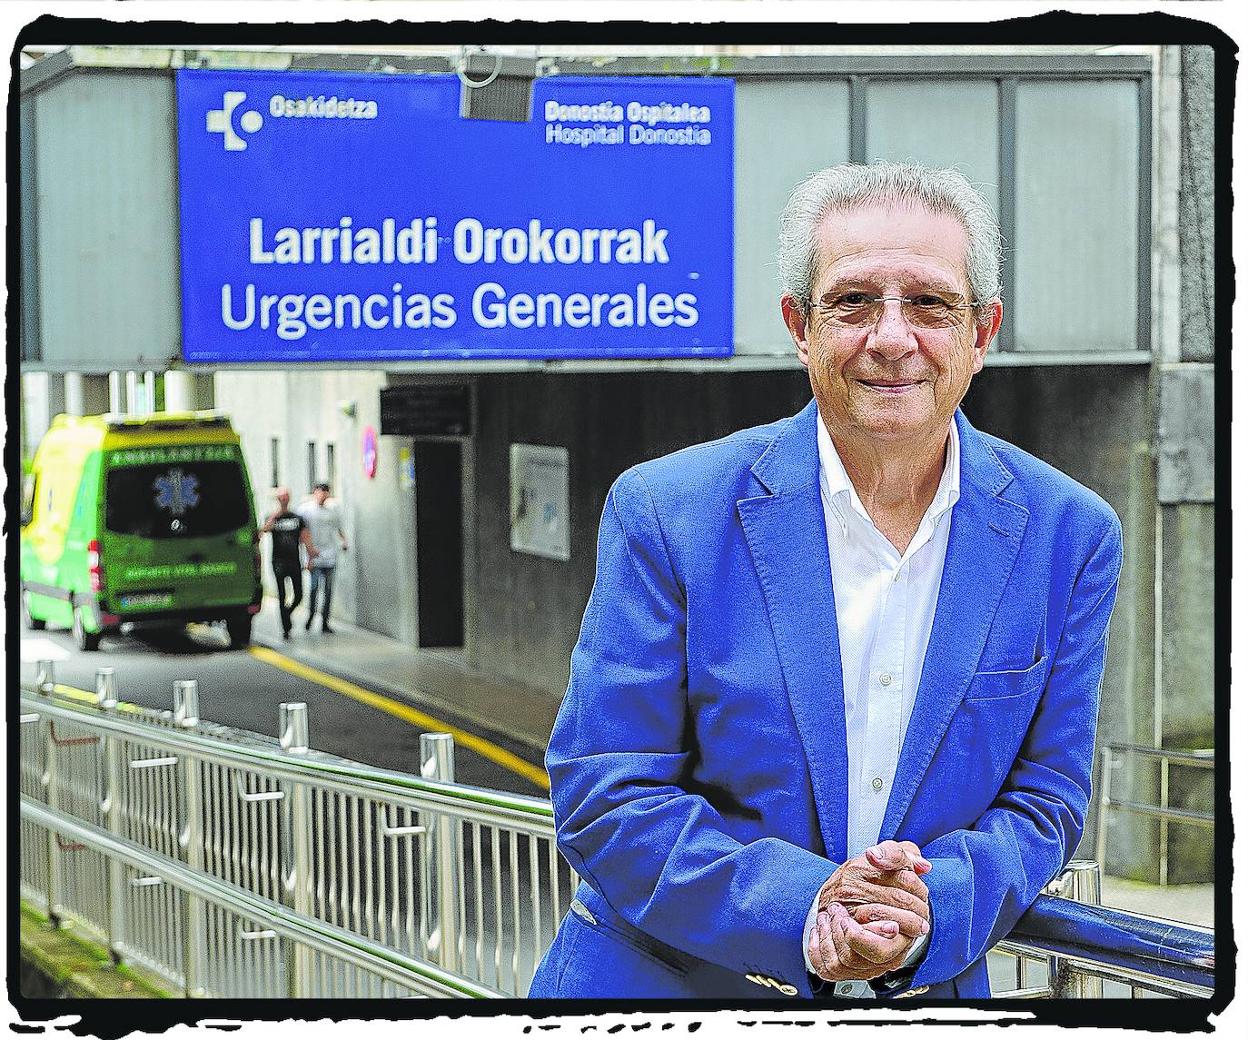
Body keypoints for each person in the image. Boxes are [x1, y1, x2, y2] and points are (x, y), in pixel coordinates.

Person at [529, 162, 1123, 1000]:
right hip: (668, 994)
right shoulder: (667, 512)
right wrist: (803, 910)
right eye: (852, 302)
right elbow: (606, 787)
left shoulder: (1071, 535)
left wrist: (926, 909)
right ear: (799, 327)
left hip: (921, 1005)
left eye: (929, 303)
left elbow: (1047, 796)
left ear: (981, 334)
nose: (891, 337)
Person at [260, 487, 317, 639]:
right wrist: (275, 515)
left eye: (286, 497)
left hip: (294, 560)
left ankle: (287, 613)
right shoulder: (273, 517)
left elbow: (305, 537)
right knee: (282, 595)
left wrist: (311, 556)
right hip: (278, 561)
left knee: (298, 595)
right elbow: (263, 531)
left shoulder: (297, 518)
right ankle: (286, 628)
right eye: (281, 498)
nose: (284, 500)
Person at [297, 482, 348, 633]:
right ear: (315, 492)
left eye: (326, 492)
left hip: (330, 555)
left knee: (328, 590)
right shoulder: (305, 510)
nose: (323, 495)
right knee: (313, 588)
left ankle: (325, 621)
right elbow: (301, 535)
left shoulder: (332, 511)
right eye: (320, 492)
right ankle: (311, 616)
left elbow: (339, 528)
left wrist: (344, 541)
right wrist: (306, 558)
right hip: (314, 556)